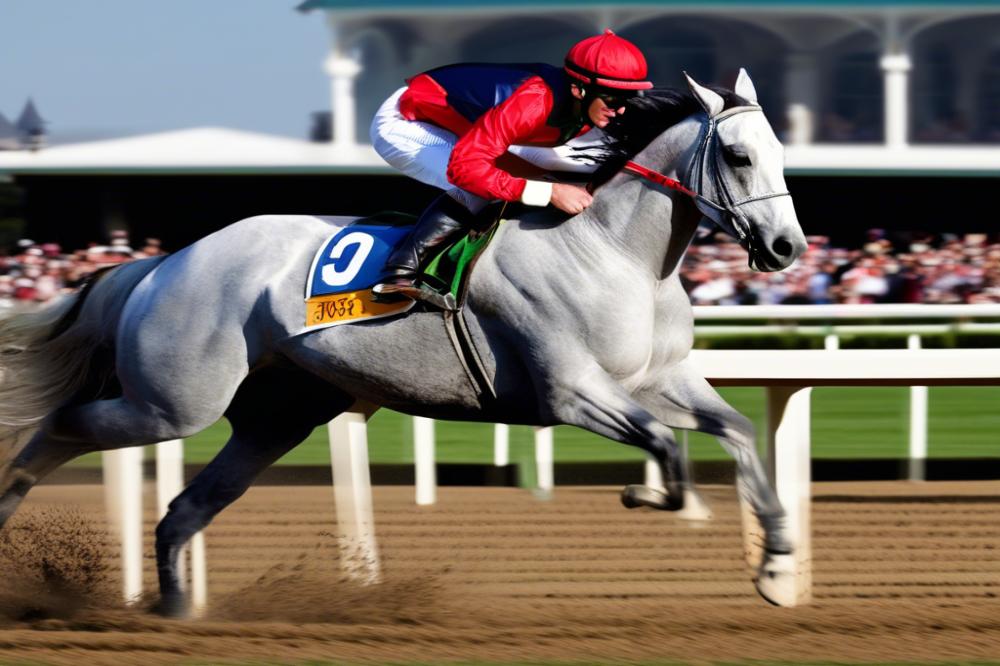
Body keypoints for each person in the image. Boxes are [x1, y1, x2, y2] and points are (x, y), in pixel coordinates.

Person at [369, 29, 653, 297]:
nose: (621, 109)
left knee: (572, 170)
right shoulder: (533, 103)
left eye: (629, 97)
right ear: (579, 90)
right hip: (408, 122)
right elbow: (465, 168)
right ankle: (400, 270)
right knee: (480, 188)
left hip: (475, 126)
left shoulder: (590, 105)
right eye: (614, 98)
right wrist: (550, 193)